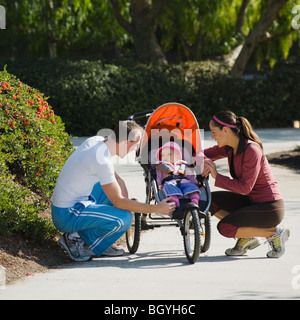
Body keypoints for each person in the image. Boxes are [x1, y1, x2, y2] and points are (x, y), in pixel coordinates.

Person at [51, 120, 175, 262]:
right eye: (136, 146)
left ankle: (97, 241)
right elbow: (119, 202)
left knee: (114, 188)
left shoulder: (98, 141)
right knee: (124, 219)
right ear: (128, 142)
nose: (135, 151)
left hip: (68, 205)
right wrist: (156, 209)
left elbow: (107, 175)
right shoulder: (103, 161)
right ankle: (75, 240)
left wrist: (120, 181)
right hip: (67, 215)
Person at [202, 110, 290, 258]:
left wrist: (216, 175)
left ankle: (274, 233)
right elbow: (202, 153)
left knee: (225, 228)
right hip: (252, 203)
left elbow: (245, 187)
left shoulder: (251, 150)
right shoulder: (229, 147)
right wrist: (173, 153)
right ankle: (247, 236)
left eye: (213, 132)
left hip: (270, 208)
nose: (212, 137)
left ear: (225, 130)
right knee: (208, 201)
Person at [155, 141, 201, 207]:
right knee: (168, 187)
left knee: (192, 187)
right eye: (162, 155)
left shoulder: (183, 165)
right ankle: (174, 199)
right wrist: (159, 185)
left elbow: (190, 176)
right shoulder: (161, 166)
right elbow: (158, 177)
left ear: (177, 156)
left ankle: (194, 199)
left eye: (169, 154)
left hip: (185, 182)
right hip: (170, 182)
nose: (165, 157)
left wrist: (196, 183)